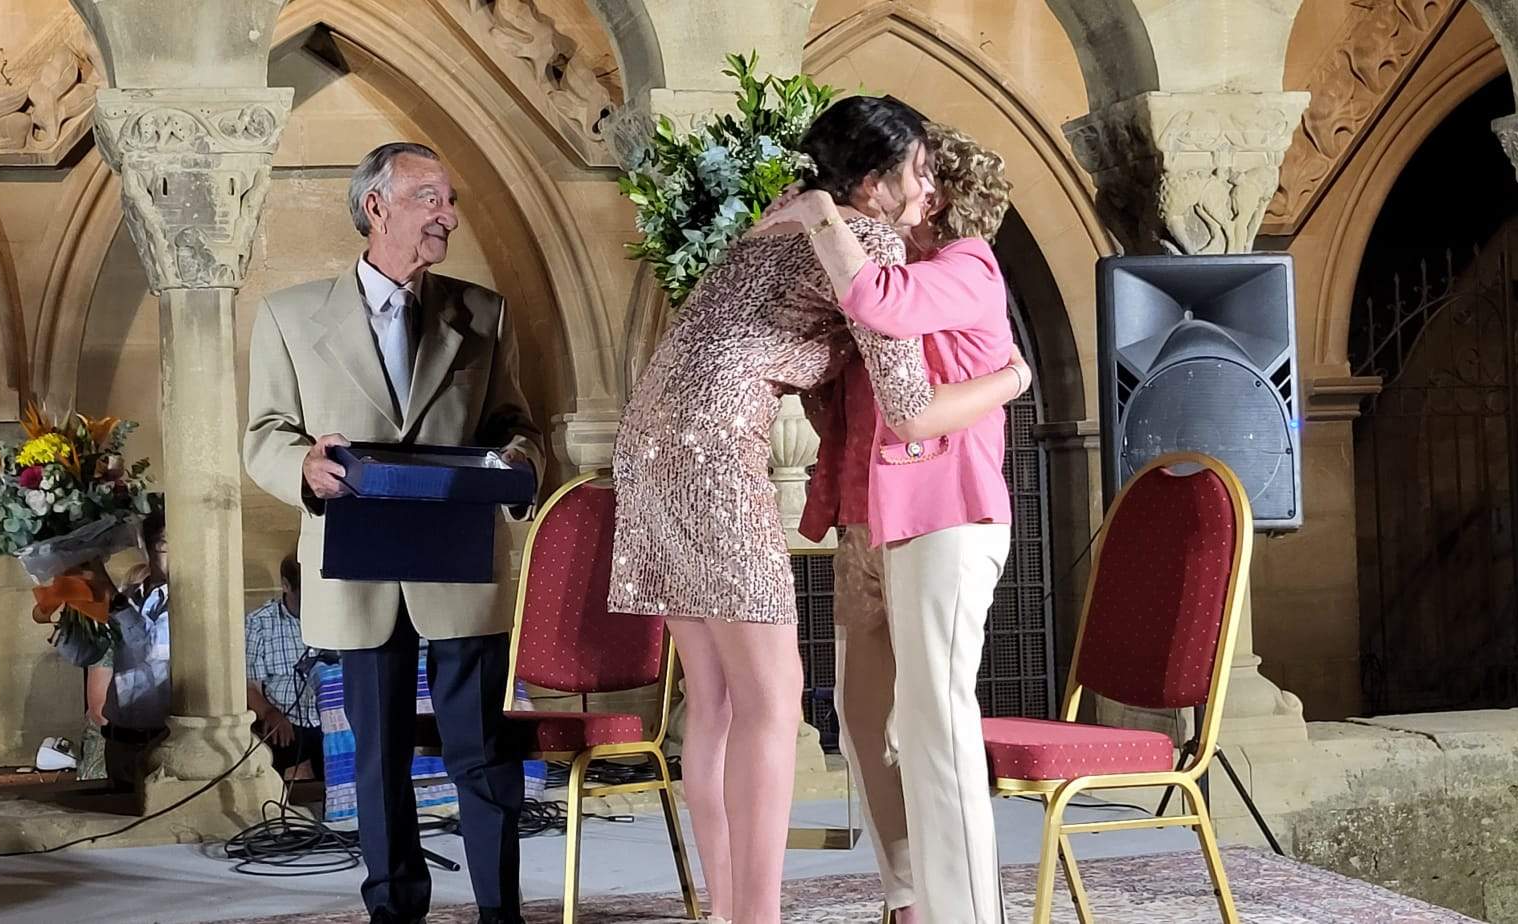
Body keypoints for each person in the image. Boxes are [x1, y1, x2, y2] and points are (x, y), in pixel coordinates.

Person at [607, 96, 1020, 924]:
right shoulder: (862, 244)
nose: (927, 184)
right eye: (918, 169)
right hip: (715, 448)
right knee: (772, 697)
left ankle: (728, 913)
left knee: (716, 700)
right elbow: (906, 408)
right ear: (876, 184)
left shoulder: (767, 228)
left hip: (645, 445)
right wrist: (1015, 378)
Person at [242, 141, 543, 924]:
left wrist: (518, 462)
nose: (447, 214)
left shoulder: (483, 312)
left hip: (458, 560)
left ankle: (501, 912)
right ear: (376, 207)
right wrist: (301, 471)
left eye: (449, 200)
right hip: (356, 561)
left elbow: (517, 423)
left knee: (482, 755)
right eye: (429, 198)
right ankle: (394, 911)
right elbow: (263, 433)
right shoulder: (288, 315)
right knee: (379, 764)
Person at [774, 122, 1032, 924]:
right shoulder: (872, 257)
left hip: (948, 515)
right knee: (857, 718)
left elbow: (881, 306)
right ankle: (911, 897)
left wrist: (815, 211)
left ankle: (967, 914)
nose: (908, 187)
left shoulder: (967, 266)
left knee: (934, 722)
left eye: (920, 175)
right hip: (867, 521)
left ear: (943, 193)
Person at [91, 505, 171, 789]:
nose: (172, 553)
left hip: (162, 742)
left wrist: (96, 573)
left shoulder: (186, 602)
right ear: (146, 547)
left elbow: (143, 642)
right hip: (119, 740)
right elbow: (104, 653)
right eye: (164, 544)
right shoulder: (131, 594)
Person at [246, 554, 326, 781]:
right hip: (285, 721)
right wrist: (271, 714)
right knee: (284, 756)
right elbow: (250, 687)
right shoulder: (259, 623)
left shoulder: (331, 619)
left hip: (329, 721)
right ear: (286, 585)